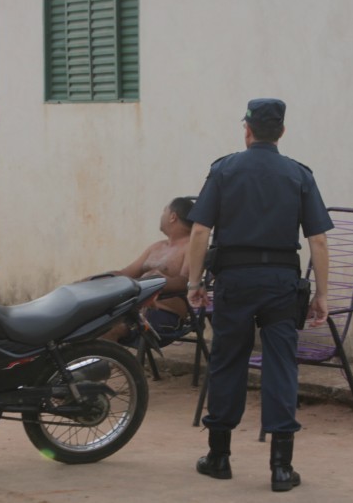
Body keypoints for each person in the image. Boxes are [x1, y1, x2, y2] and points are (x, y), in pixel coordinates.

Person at [186, 98, 332, 492]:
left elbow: (199, 232)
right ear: (281, 132)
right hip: (282, 285)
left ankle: (219, 458)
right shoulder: (299, 175)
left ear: (246, 130)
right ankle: (282, 469)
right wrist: (322, 294)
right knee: (281, 365)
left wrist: (194, 284)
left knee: (227, 362)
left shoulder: (225, 170)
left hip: (234, 282)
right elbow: (317, 239)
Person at [104, 197, 195, 344]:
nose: (161, 216)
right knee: (90, 326)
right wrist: (98, 279)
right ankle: (113, 365)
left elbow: (186, 282)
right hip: (134, 311)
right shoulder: (156, 247)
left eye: (164, 211)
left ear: (173, 216)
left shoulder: (191, 246)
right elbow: (126, 273)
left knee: (109, 330)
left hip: (163, 315)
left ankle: (113, 365)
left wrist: (155, 282)